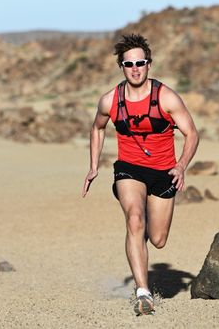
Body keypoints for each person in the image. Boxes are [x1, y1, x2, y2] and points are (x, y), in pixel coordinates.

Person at [82, 34, 199, 316]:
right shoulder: (111, 100)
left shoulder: (166, 97)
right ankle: (143, 293)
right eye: (128, 64)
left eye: (140, 63)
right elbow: (97, 128)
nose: (135, 68)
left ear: (149, 64)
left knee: (157, 238)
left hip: (164, 171)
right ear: (121, 67)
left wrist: (181, 165)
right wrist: (93, 165)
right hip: (129, 169)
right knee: (134, 218)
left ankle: (139, 241)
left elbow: (191, 133)